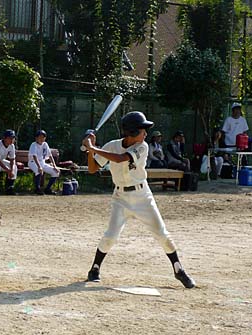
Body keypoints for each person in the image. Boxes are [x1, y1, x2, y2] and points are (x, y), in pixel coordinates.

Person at [82, 111, 195, 289]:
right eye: (142, 130)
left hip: (142, 196)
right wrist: (90, 150)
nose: (145, 133)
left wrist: (93, 147)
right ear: (133, 132)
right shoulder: (112, 146)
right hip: (120, 198)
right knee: (110, 236)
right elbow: (92, 169)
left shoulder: (143, 147)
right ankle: (94, 269)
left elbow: (121, 159)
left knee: (162, 234)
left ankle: (178, 269)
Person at [28, 129, 60, 195]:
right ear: (36, 138)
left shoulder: (45, 144)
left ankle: (47, 189)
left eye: (43, 137)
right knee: (38, 170)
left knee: (56, 172)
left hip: (42, 163)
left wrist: (54, 166)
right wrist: (39, 167)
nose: (41, 139)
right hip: (33, 162)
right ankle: (37, 189)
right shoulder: (33, 144)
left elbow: (50, 156)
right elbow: (34, 156)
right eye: (39, 137)